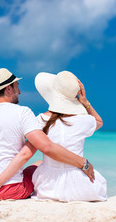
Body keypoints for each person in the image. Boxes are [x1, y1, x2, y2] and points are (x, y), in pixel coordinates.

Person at [0, 68, 95, 201]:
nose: (19, 92)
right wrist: (83, 163)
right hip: (12, 190)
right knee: (39, 164)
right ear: (8, 88)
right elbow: (45, 147)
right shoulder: (23, 113)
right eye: (17, 86)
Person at [31, 70, 107, 202]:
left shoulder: (40, 120)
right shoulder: (83, 120)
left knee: (38, 163)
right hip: (81, 188)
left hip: (48, 188)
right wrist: (85, 102)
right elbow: (99, 122)